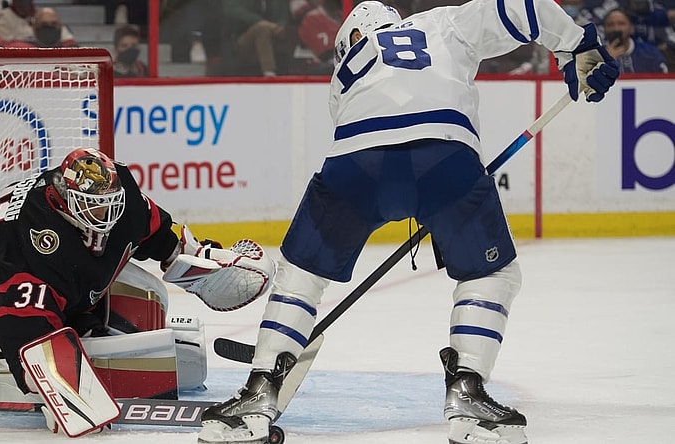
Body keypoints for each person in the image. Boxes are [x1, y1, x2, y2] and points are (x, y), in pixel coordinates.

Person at [197, 1, 619, 444]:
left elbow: (380, 144)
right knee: (491, 273)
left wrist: (400, 189)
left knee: (301, 275)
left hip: (355, 162)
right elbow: (523, 7)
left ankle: (257, 394)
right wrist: (578, 45)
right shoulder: (442, 22)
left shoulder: (343, 75)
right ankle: (469, 396)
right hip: (444, 155)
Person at [0, 148, 274, 435]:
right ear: (66, 203)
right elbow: (19, 321)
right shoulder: (36, 239)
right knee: (50, 344)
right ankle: (9, 364)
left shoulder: (121, 194)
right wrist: (59, 394)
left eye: (110, 204)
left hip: (60, 287)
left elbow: (160, 236)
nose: (108, 215)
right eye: (96, 207)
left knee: (145, 294)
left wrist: (201, 259)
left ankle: (83, 331)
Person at [222, 0, 295, 76]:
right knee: (262, 28)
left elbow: (283, 17)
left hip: (273, 37)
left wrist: (274, 27)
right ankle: (269, 74)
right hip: (243, 39)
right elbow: (231, 10)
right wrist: (263, 23)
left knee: (269, 29)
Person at [604, 7, 669, 72]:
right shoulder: (596, 54)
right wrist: (607, 61)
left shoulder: (651, 53)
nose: (616, 29)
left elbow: (664, 80)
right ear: (604, 29)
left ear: (631, 28)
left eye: (621, 24)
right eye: (610, 25)